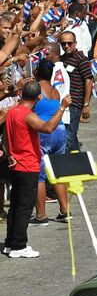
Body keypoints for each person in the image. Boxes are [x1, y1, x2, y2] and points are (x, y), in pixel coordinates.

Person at [2, 81, 71, 258]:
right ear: (38, 97)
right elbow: (47, 128)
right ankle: (19, 246)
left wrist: (10, 154)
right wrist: (62, 108)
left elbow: (5, 139)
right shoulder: (26, 115)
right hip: (27, 166)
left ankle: (10, 243)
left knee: (15, 206)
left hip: (16, 165)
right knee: (24, 207)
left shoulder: (12, 112)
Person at [29, 61, 70, 225]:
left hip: (43, 131)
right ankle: (65, 211)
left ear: (37, 71)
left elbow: (28, 109)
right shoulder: (55, 91)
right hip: (60, 131)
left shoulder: (35, 89)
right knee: (58, 171)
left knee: (40, 175)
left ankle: (41, 215)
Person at [59, 31, 93, 152]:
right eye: (63, 43)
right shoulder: (61, 60)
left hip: (75, 104)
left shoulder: (81, 59)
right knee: (71, 137)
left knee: (69, 137)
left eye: (69, 43)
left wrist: (86, 105)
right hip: (64, 103)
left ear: (75, 43)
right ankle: (78, 161)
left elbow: (89, 81)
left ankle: (63, 165)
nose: (67, 46)